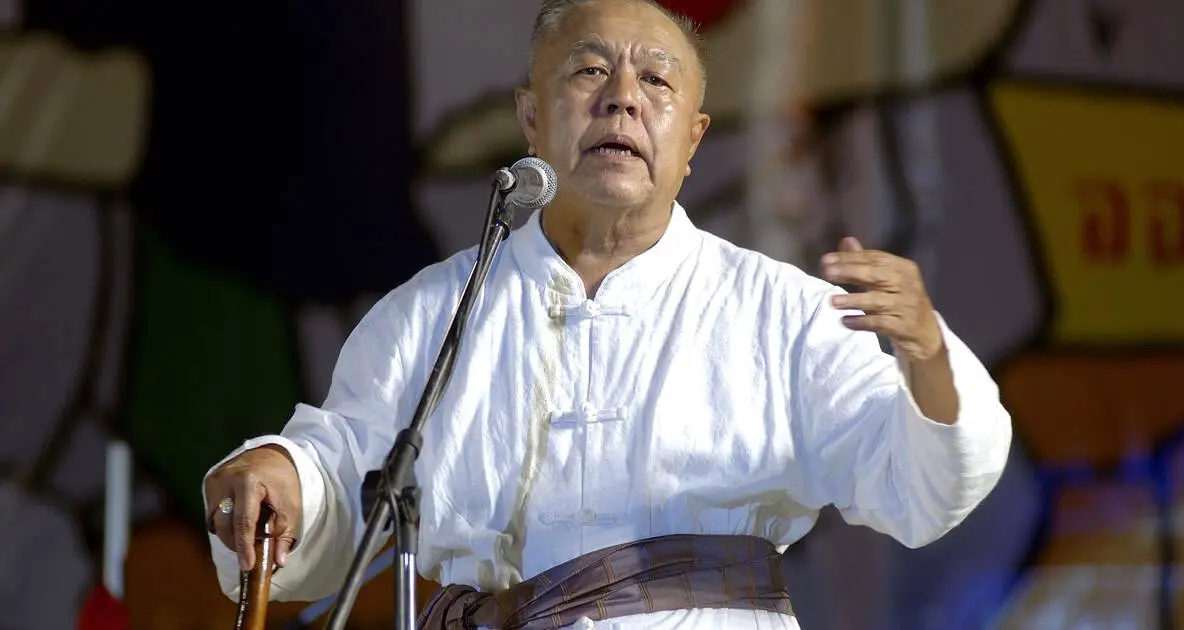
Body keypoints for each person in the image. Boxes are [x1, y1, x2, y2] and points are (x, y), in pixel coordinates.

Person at [202, 0, 1013, 628]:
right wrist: (280, 472)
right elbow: (343, 474)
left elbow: (921, 486)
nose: (623, 100)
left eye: (655, 81)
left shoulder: (781, 312)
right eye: (589, 73)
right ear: (531, 118)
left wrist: (929, 359)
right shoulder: (431, 312)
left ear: (692, 141)